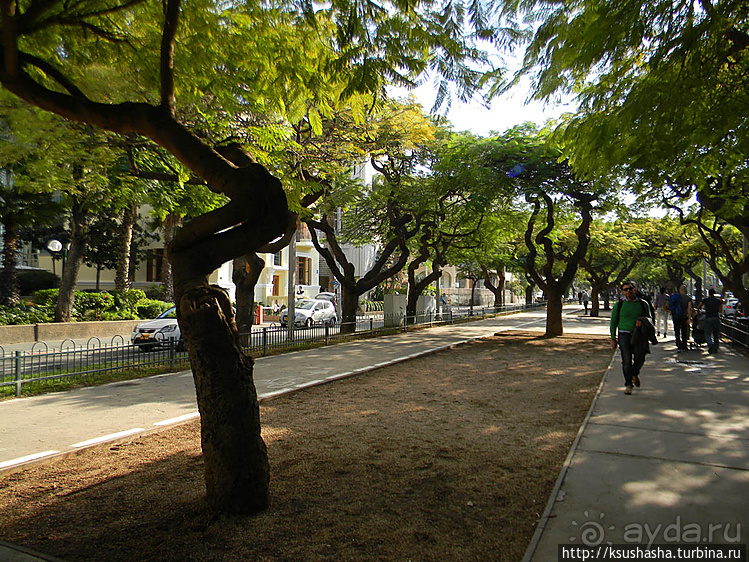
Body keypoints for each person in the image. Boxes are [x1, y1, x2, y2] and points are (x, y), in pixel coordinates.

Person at [610, 280, 655, 395]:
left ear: (635, 289)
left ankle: (634, 374)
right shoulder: (619, 305)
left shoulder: (643, 303)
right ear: (622, 292)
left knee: (640, 358)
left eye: (630, 288)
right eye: (625, 289)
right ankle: (628, 384)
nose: (628, 291)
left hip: (639, 334)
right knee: (626, 361)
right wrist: (612, 338)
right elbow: (613, 322)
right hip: (624, 334)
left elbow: (650, 318)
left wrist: (642, 322)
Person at [669, 285, 694, 350]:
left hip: (676, 316)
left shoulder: (675, 297)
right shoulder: (688, 298)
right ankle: (684, 344)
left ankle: (678, 343)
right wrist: (689, 317)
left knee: (677, 330)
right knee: (684, 330)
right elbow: (689, 308)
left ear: (679, 290)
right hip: (684, 316)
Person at [698, 288, 723, 353]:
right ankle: (716, 347)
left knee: (707, 333)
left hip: (708, 318)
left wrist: (699, 311)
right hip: (716, 318)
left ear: (709, 293)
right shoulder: (717, 301)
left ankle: (710, 344)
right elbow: (720, 309)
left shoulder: (706, 300)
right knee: (716, 334)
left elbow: (700, 305)